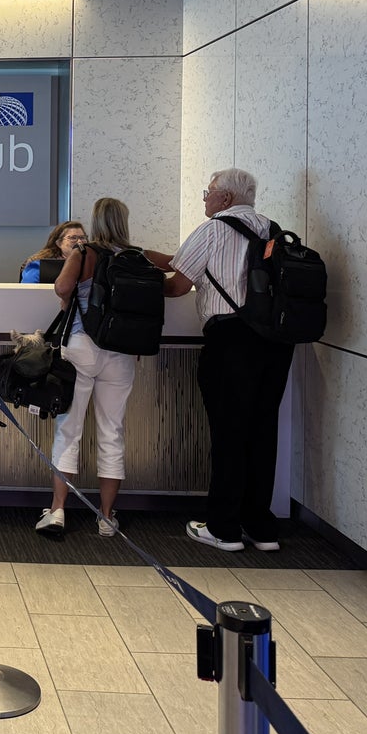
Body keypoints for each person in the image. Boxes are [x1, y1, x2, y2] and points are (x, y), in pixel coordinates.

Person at [148, 168, 295, 552]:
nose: (204, 198)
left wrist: (139, 279)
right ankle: (260, 528)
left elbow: (177, 285)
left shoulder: (214, 229)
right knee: (263, 432)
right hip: (277, 342)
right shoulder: (274, 230)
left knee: (229, 433)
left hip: (231, 340)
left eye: (208, 192)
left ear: (226, 199)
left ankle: (224, 528)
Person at [35, 200, 136, 538]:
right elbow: (174, 282)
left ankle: (59, 510)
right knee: (112, 432)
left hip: (82, 346)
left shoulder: (84, 253)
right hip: (121, 350)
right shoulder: (137, 255)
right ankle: (107, 518)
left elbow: (62, 288)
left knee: (69, 429)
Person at [20, 221, 86, 283]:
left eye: (82, 238)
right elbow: (28, 290)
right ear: (59, 243)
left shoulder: (90, 262)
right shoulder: (40, 266)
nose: (79, 242)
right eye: (73, 238)